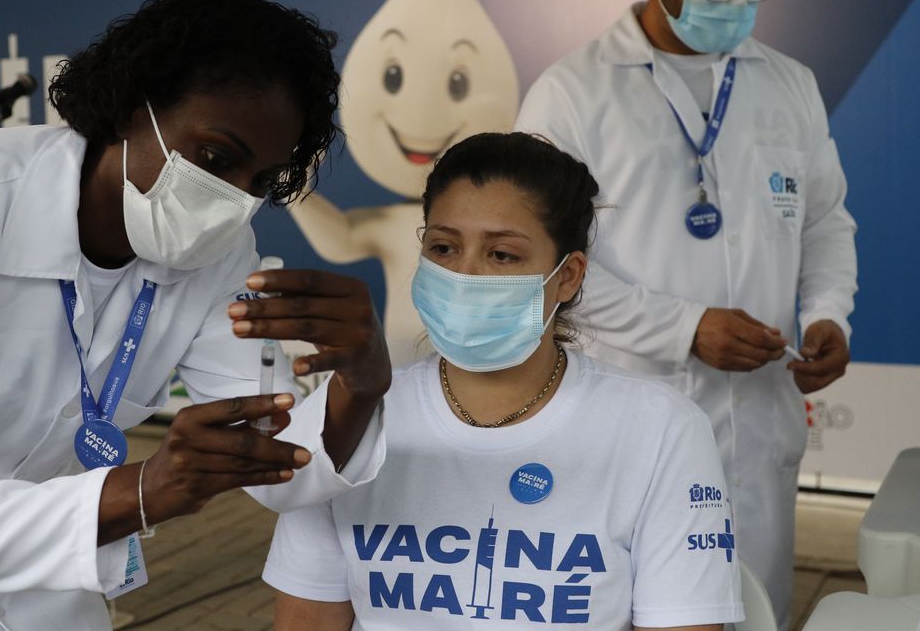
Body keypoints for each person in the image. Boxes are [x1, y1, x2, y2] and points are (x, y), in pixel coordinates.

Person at [0, 0, 391, 629]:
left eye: (261, 183)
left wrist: (362, 383)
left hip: (49, 590)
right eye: (217, 159)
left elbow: (280, 464)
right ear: (134, 106)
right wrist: (143, 490)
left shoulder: (218, 249)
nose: (232, 199)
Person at [513, 0, 858, 627]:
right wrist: (684, 327)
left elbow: (825, 221)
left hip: (759, 416)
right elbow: (538, 259)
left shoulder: (789, 84)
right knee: (631, 608)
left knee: (752, 608)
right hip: (628, 416)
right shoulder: (573, 93)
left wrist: (828, 312)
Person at [263, 132, 743, 631]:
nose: (464, 275)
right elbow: (307, 620)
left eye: (502, 255)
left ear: (568, 276)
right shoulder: (349, 415)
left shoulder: (659, 429)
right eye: (444, 247)